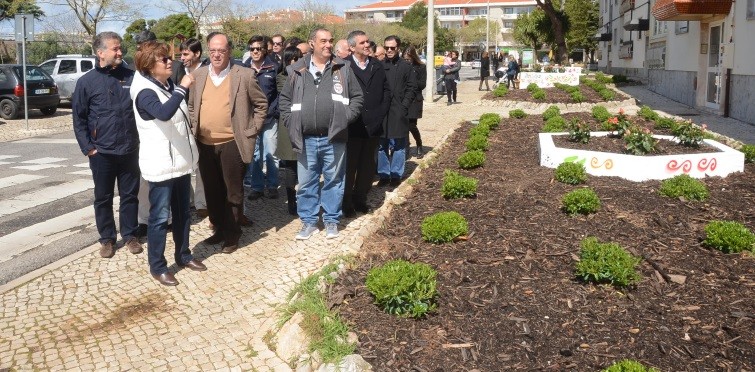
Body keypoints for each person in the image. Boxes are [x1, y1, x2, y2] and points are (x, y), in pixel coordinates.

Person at [131, 41, 206, 286]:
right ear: (151, 66)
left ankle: (184, 255)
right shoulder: (143, 91)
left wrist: (178, 88)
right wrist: (183, 88)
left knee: (184, 213)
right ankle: (158, 266)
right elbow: (163, 114)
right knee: (160, 218)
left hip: (180, 162)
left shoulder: (167, 83)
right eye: (164, 59)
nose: (169, 62)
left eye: (169, 58)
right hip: (161, 165)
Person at [279, 28, 364, 240]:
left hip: (333, 138)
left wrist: (344, 119)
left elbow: (357, 97)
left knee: (334, 181)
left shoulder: (343, 68)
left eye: (330, 41)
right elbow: (284, 101)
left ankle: (331, 220)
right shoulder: (296, 70)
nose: (328, 45)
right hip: (305, 138)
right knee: (307, 182)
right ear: (312, 44)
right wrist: (292, 123)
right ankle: (308, 222)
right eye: (323, 41)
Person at [187, 32, 268, 254]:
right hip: (204, 143)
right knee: (212, 192)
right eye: (212, 50)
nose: (216, 55)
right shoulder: (199, 75)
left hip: (232, 142)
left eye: (221, 50)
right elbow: (192, 105)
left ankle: (233, 234)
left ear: (229, 51)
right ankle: (219, 229)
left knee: (233, 192)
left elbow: (261, 105)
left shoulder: (244, 74)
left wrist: (252, 130)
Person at [72, 32, 143, 258]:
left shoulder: (132, 77)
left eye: (120, 48)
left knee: (130, 195)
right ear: (100, 52)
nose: (120, 52)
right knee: (103, 198)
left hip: (129, 149)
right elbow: (79, 119)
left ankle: (130, 235)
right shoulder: (86, 82)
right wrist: (89, 148)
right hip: (101, 152)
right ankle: (107, 239)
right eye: (115, 49)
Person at [342, 30, 391, 218]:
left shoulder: (377, 66)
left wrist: (381, 113)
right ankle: (346, 201)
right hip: (353, 125)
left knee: (367, 166)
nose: (366, 45)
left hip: (373, 124)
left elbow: (386, 91)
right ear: (352, 47)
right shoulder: (344, 67)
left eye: (367, 42)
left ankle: (360, 198)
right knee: (349, 166)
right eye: (362, 43)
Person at [171, 38, 208, 220]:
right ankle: (188, 199)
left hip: (202, 124)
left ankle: (202, 202)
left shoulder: (207, 71)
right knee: (184, 162)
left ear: (197, 53)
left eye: (186, 54)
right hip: (180, 124)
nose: (182, 58)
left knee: (201, 164)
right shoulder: (177, 70)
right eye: (181, 54)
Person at [243, 35, 281, 201]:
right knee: (255, 155)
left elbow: (280, 92)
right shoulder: (243, 69)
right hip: (250, 119)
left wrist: (275, 111)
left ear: (265, 50)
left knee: (271, 153)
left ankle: (272, 185)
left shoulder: (274, 67)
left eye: (258, 48)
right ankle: (257, 187)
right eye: (252, 49)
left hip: (269, 118)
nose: (255, 52)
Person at [378, 35, 417, 187]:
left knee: (399, 144)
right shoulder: (378, 65)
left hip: (398, 110)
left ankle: (395, 174)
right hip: (382, 111)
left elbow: (412, 87)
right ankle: (383, 174)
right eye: (386, 47)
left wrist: (404, 105)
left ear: (398, 48)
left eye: (392, 48)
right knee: (381, 145)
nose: (389, 50)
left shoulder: (406, 67)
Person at [275, 46, 304, 215]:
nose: (298, 61)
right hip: (289, 124)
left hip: (305, 124)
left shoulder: (307, 75)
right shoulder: (281, 77)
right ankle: (291, 199)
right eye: (294, 59)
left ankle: (305, 197)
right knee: (291, 165)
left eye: (299, 57)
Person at [403, 46, 426, 158]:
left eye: (408, 59)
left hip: (415, 100)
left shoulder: (421, 67)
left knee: (411, 125)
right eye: (405, 59)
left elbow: (422, 84)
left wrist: (412, 80)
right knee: (403, 125)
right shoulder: (401, 67)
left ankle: (419, 143)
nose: (407, 61)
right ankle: (406, 149)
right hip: (404, 99)